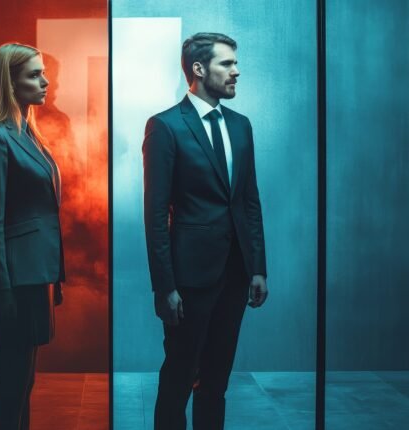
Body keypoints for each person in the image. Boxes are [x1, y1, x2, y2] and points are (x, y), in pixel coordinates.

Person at [142, 32, 269, 430]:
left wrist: (257, 268)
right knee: (179, 376)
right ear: (198, 69)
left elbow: (249, 201)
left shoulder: (241, 126)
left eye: (235, 63)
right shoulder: (165, 126)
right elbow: (155, 214)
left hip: (235, 274)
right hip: (189, 279)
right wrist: (164, 286)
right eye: (227, 63)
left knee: (216, 381)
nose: (236, 71)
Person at [0, 42, 65, 430]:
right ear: (10, 83)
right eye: (34, 75)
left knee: (23, 383)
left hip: (34, 274)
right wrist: (1, 288)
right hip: (17, 278)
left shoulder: (28, 134)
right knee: (12, 386)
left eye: (43, 73)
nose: (45, 82)